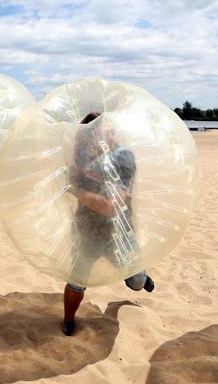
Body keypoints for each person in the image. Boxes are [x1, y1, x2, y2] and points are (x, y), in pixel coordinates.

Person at [62, 112, 154, 336]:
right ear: (91, 136)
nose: (112, 137)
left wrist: (77, 189)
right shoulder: (80, 160)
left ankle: (140, 276)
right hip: (87, 232)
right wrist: (79, 186)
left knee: (137, 282)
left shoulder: (123, 157)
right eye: (106, 133)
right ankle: (68, 320)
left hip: (120, 233)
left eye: (113, 132)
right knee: (77, 282)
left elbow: (110, 206)